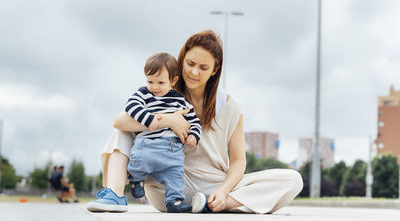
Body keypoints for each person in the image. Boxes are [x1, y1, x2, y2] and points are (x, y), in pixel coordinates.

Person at [87, 30, 303, 213]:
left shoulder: (231, 106)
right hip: (171, 181)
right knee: (125, 129)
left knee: (293, 179)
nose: (193, 72)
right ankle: (114, 196)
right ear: (182, 61)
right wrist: (169, 120)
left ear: (215, 70)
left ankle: (215, 205)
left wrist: (224, 190)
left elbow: (238, 161)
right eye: (190, 63)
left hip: (214, 183)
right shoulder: (163, 92)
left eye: (203, 67)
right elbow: (119, 121)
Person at [124, 52, 201, 213]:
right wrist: (149, 119)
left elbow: (193, 121)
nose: (154, 87)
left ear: (173, 81)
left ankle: (174, 201)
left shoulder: (180, 101)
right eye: (150, 81)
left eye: (160, 82)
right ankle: (136, 179)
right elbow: (130, 106)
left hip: (173, 150)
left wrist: (193, 135)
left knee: (176, 175)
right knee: (139, 160)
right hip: (148, 144)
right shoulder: (144, 94)